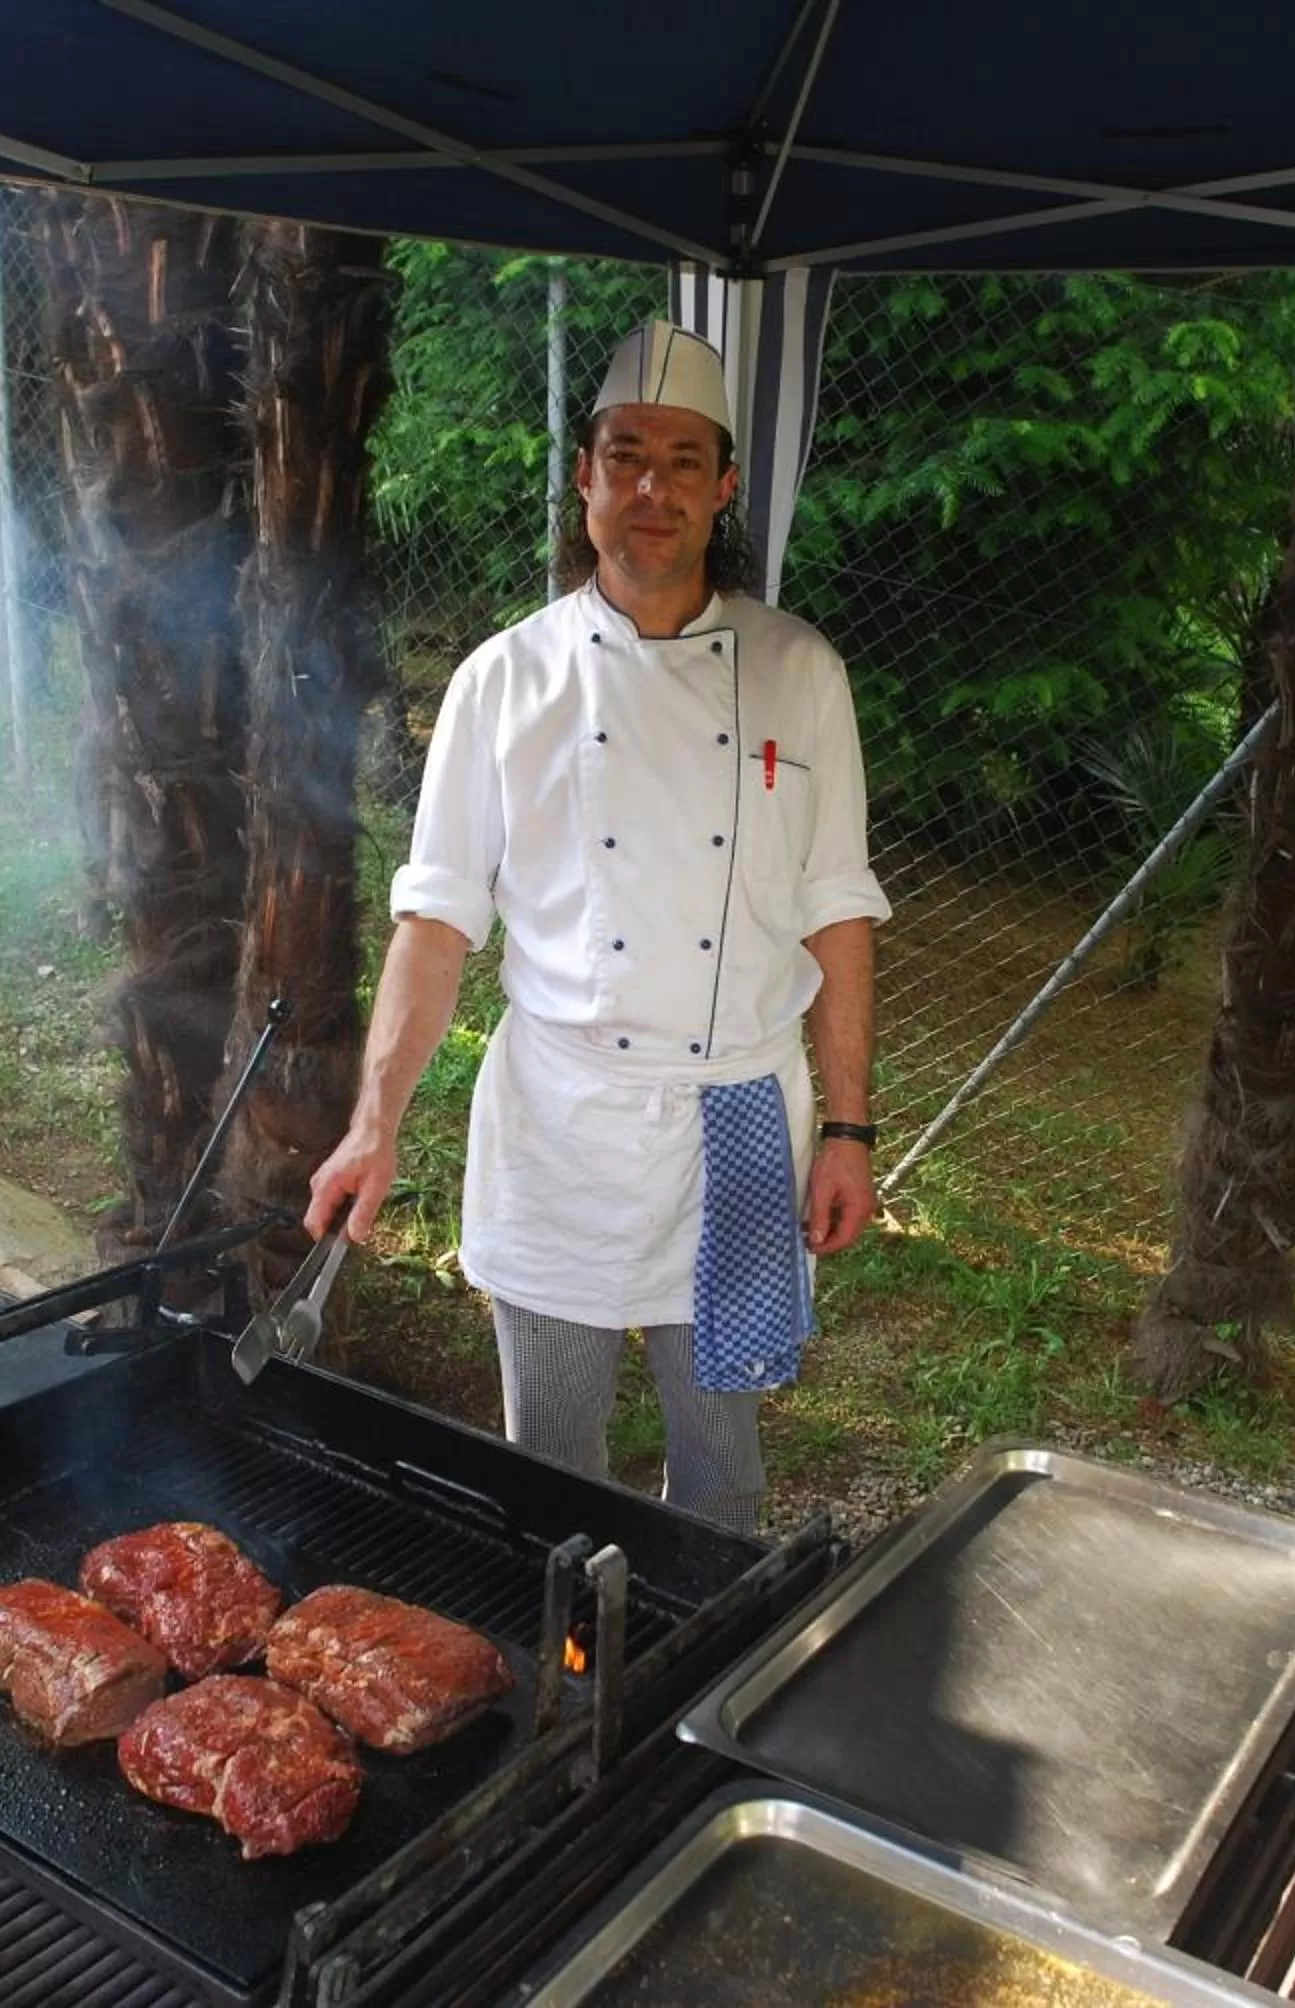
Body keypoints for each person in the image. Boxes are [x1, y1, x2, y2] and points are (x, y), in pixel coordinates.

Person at [305, 319, 889, 1536]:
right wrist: (374, 1123)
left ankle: (695, 1680)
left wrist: (846, 1127)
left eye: (683, 460)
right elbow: (434, 922)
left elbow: (838, 911)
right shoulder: (502, 681)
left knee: (723, 1474)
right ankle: (564, 1685)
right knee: (551, 1464)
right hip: (561, 1125)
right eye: (625, 455)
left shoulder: (800, 671)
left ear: (725, 484)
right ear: (585, 479)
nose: (651, 488)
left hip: (739, 1120)